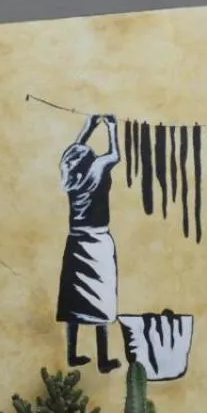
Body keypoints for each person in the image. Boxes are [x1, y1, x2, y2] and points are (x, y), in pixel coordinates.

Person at [55, 113, 122, 373]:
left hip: (76, 241)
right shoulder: (96, 171)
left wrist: (89, 126)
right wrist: (112, 127)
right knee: (100, 300)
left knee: (74, 302)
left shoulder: (71, 176)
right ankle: (103, 359)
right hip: (97, 241)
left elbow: (71, 153)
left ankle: (72, 354)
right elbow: (114, 155)